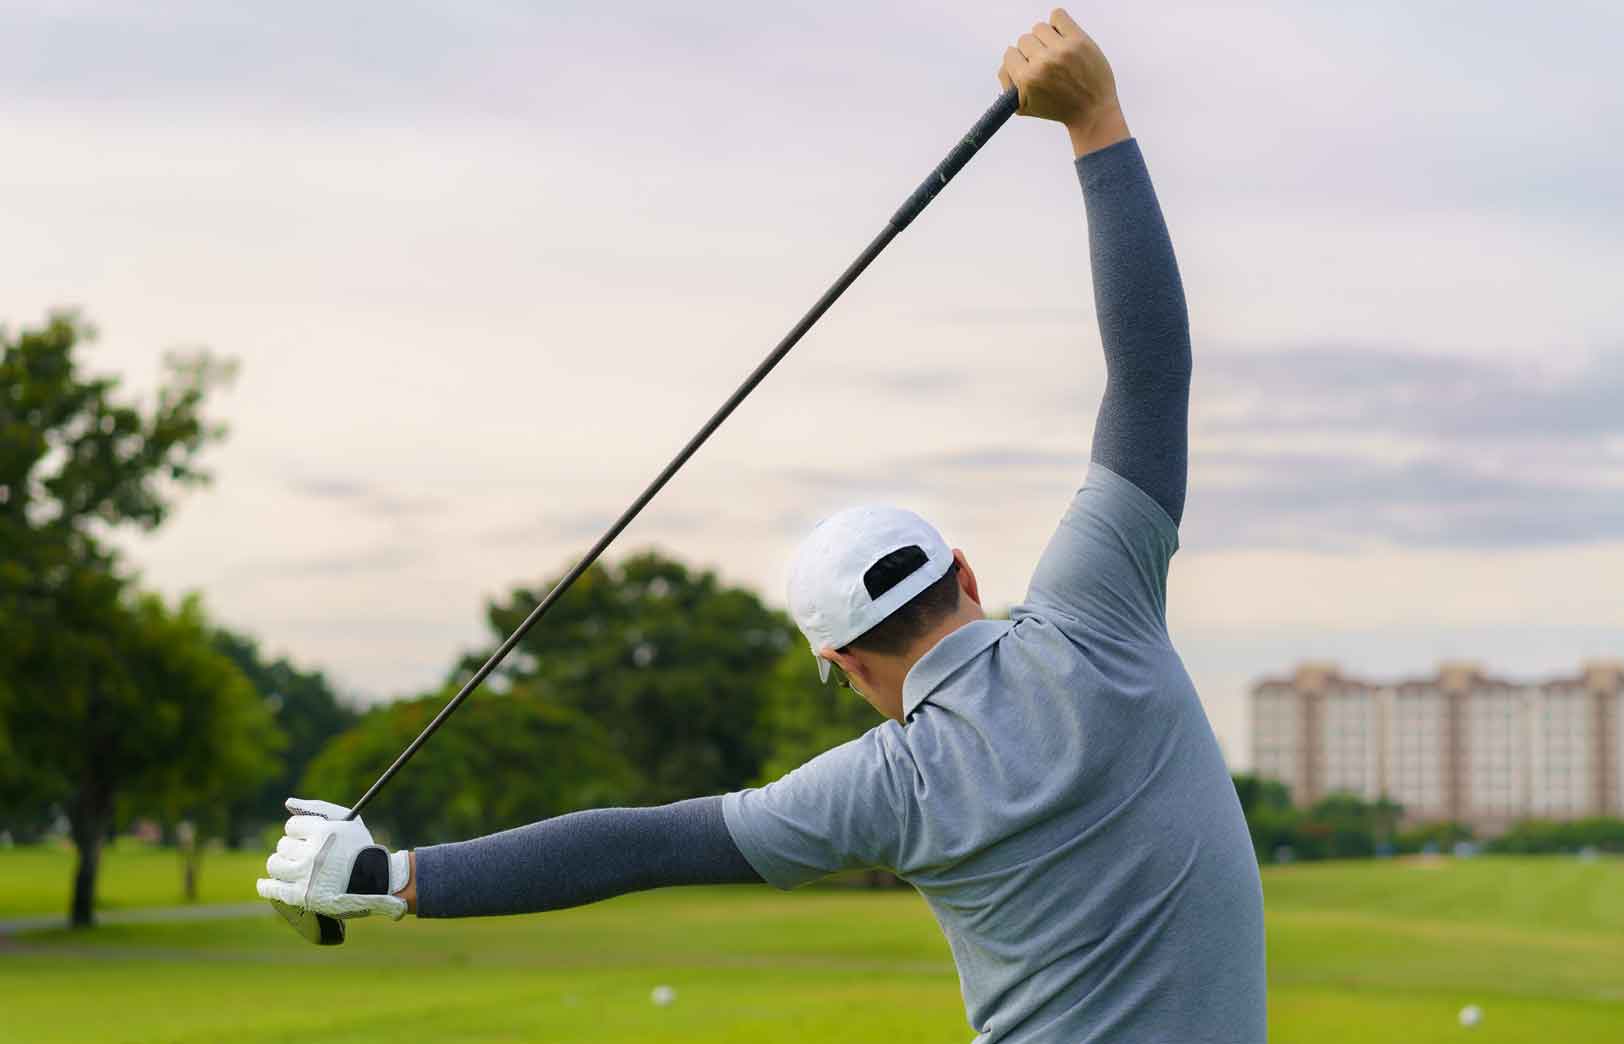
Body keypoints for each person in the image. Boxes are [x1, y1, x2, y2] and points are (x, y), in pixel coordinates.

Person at [258, 10, 1266, 1040]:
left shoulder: (889, 786)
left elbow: (639, 845)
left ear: (842, 664)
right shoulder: (1099, 620)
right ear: (961, 569)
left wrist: (388, 876)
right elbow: (1147, 376)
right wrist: (1093, 119)